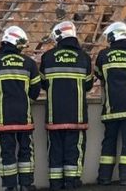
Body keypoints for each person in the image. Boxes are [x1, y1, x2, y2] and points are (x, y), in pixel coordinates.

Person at [0, 26, 42, 191]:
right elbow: (35, 91)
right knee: (26, 151)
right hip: (24, 117)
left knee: (6, 154)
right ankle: (26, 185)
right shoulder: (29, 63)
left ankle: (10, 186)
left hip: (3, 118)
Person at [39, 21, 94, 190]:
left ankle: (55, 183)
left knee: (54, 150)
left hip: (54, 115)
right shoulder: (84, 57)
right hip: (77, 115)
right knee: (74, 149)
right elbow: (88, 85)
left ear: (58, 36)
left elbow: (43, 84)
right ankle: (72, 182)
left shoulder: (47, 57)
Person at [95, 21, 126, 186]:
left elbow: (99, 74)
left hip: (112, 107)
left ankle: (104, 177)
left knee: (109, 141)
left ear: (112, 36)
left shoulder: (103, 55)